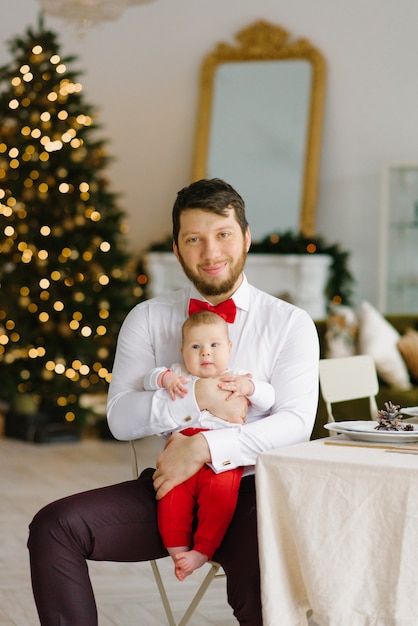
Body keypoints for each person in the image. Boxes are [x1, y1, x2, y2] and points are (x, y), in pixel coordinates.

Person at [28, 178, 319, 626]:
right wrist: (197, 397)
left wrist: (203, 448)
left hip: (255, 494)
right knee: (54, 528)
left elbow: (297, 423)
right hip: (173, 491)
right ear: (178, 248)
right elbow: (120, 419)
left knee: (262, 585)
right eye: (194, 239)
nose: (210, 252)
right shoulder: (147, 319)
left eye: (222, 234)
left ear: (245, 236)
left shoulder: (290, 323)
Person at [144, 310, 275, 580]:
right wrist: (164, 379)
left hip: (222, 457)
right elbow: (148, 379)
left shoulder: (236, 377)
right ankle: (178, 551)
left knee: (220, 499)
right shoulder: (178, 374)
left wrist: (248, 387)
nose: (205, 353)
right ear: (183, 352)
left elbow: (269, 398)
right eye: (196, 347)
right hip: (180, 454)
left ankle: (202, 550)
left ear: (228, 349)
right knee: (169, 498)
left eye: (214, 345)